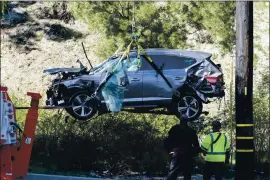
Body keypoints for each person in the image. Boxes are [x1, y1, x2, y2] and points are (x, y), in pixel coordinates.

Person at [164, 114, 200, 180]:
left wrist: (169, 151)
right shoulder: (191, 131)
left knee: (172, 174)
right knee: (187, 175)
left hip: (176, 154)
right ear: (187, 121)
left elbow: (166, 141)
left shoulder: (174, 129)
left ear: (180, 120)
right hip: (187, 155)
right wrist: (193, 154)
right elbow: (196, 146)